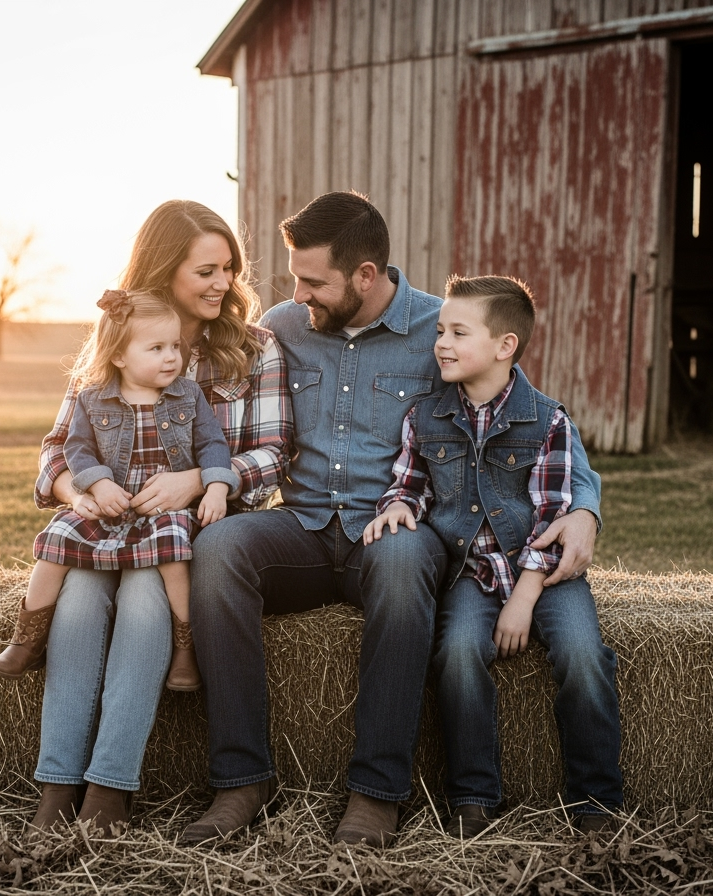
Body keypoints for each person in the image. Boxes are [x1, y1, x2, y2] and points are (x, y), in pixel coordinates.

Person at [183, 192, 605, 848]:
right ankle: (241, 779)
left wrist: (583, 508)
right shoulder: (285, 327)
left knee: (406, 559)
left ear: (366, 276)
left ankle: (377, 791)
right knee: (220, 549)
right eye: (296, 279)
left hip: (397, 529)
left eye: (313, 281)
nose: (298, 294)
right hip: (301, 523)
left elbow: (531, 416)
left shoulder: (444, 330)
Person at [25, 200, 292, 836]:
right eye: (205, 270)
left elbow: (277, 453)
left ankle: (109, 790)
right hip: (107, 524)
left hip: (189, 532)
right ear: (166, 269)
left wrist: (197, 480)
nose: (222, 283)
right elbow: (56, 449)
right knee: (80, 604)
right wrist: (76, 491)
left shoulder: (256, 349)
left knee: (146, 600)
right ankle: (57, 786)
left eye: (228, 268)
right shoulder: (115, 338)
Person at [364, 275, 623, 838]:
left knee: (583, 657)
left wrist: (525, 598)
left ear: (505, 346)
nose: (441, 343)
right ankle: (474, 796)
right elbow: (409, 485)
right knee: (456, 655)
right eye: (439, 331)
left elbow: (557, 515)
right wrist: (396, 507)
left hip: (547, 575)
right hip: (472, 574)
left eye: (459, 332)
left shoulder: (547, 420)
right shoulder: (425, 418)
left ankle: (596, 802)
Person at [0, 289, 237, 692]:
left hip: (161, 507)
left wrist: (216, 487)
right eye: (156, 348)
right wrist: (98, 484)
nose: (172, 357)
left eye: (175, 346)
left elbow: (212, 445)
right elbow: (77, 448)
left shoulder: (188, 396)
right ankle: (26, 638)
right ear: (119, 355)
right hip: (108, 504)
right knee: (55, 539)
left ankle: (185, 648)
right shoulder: (93, 399)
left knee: (175, 552)